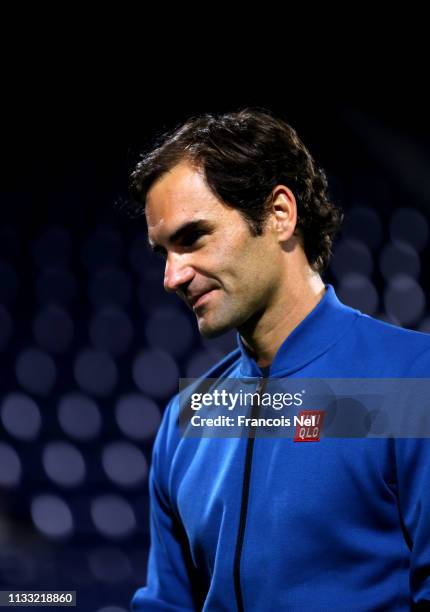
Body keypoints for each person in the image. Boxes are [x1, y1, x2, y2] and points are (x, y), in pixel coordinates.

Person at [129, 108, 430, 610]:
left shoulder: (412, 381)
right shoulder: (186, 421)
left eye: (192, 238)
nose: (173, 276)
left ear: (279, 214)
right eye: (163, 251)